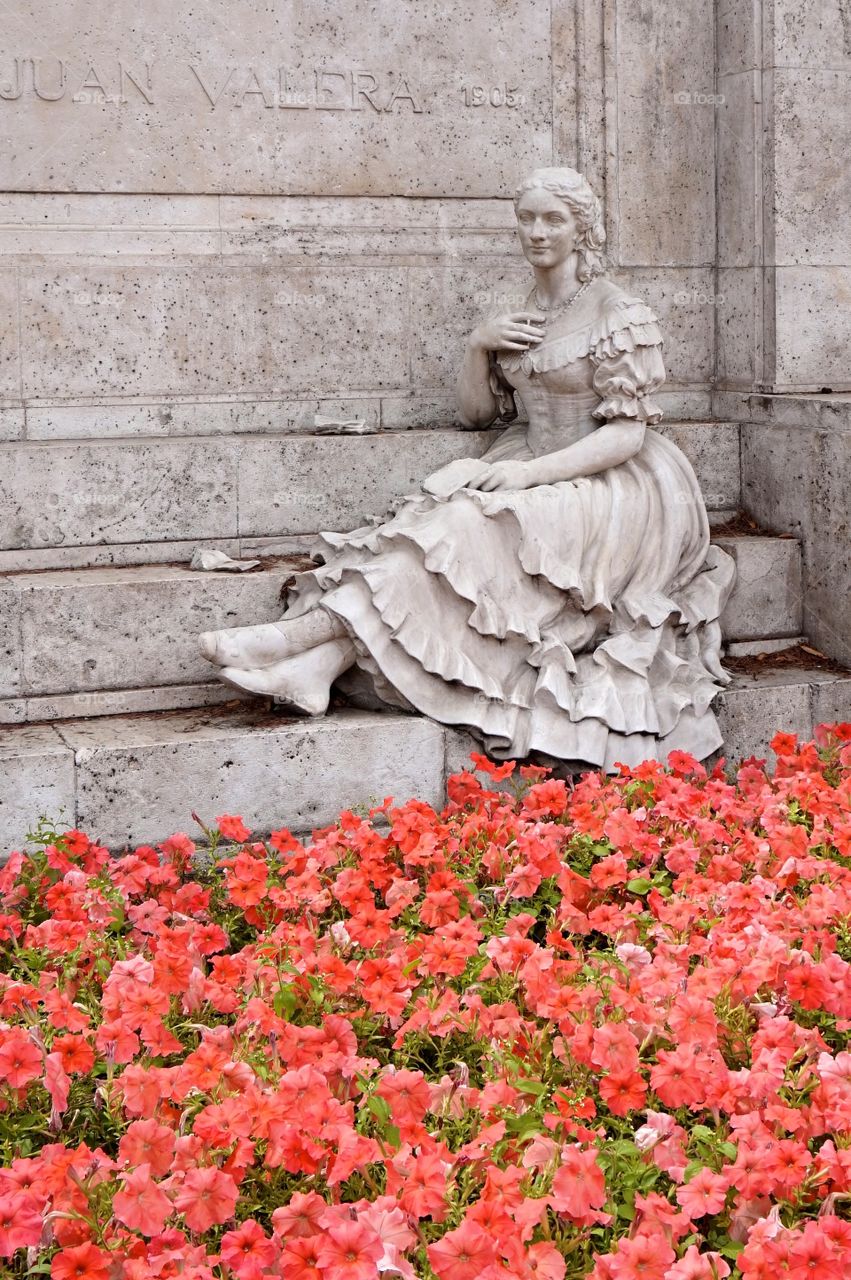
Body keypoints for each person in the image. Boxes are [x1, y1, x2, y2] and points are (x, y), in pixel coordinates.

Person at [200, 167, 734, 770]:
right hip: (524, 455)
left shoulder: (619, 312)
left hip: (615, 483)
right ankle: (316, 666)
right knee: (429, 535)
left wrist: (529, 477)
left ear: (582, 228)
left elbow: (628, 433)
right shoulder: (522, 311)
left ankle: (293, 640)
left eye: (552, 219)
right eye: (526, 218)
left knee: (458, 527)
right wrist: (477, 346)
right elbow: (479, 417)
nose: (537, 232)